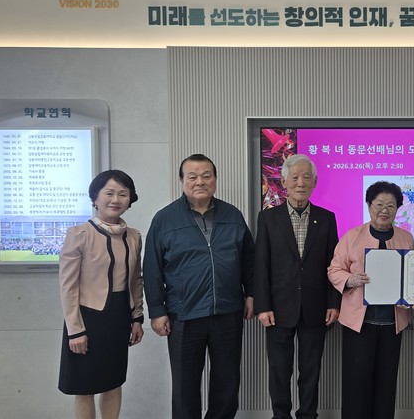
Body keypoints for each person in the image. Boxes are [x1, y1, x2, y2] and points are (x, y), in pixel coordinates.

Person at [144, 154, 255, 419]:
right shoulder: (164, 219)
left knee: (227, 383)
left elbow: (249, 259)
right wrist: (157, 311)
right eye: (192, 176)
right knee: (185, 386)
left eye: (206, 176)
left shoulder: (233, 215)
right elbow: (151, 268)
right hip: (183, 314)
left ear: (215, 179)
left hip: (227, 312)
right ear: (182, 180)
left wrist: (251, 293)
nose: (199, 182)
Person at [327, 181, 414, 419]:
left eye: (391, 205)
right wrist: (350, 279)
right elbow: (334, 269)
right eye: (379, 204)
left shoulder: (406, 238)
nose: (384, 210)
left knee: (386, 384)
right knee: (356, 385)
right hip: (358, 325)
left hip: (393, 324)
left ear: (398, 208)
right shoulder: (352, 237)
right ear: (369, 205)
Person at [254, 154, 341, 419]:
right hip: (278, 308)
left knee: (311, 370)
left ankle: (308, 414)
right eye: (294, 177)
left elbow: (334, 264)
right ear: (283, 182)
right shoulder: (268, 218)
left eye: (306, 177)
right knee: (279, 370)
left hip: (316, 307)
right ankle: (280, 415)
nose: (300, 183)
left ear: (315, 182)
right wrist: (263, 306)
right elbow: (261, 264)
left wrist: (333, 303)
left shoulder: (327, 218)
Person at [58, 170, 144, 419]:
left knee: (113, 382)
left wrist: (137, 318)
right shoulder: (80, 234)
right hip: (86, 319)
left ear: (129, 200)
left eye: (123, 194)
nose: (116, 199)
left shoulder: (134, 237)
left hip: (119, 318)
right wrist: (75, 330)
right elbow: (68, 286)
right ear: (95, 197)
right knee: (84, 387)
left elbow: (136, 280)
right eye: (109, 193)